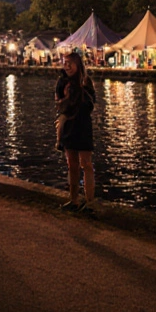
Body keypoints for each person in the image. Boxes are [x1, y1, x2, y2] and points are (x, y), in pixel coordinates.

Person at [55, 51, 96, 211]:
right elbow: (59, 105)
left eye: (70, 63)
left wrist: (79, 95)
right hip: (69, 126)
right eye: (65, 63)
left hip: (83, 125)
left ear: (77, 64)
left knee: (86, 164)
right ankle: (74, 200)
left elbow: (91, 104)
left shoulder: (85, 82)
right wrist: (66, 98)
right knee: (72, 164)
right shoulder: (62, 82)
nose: (67, 66)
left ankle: (90, 201)